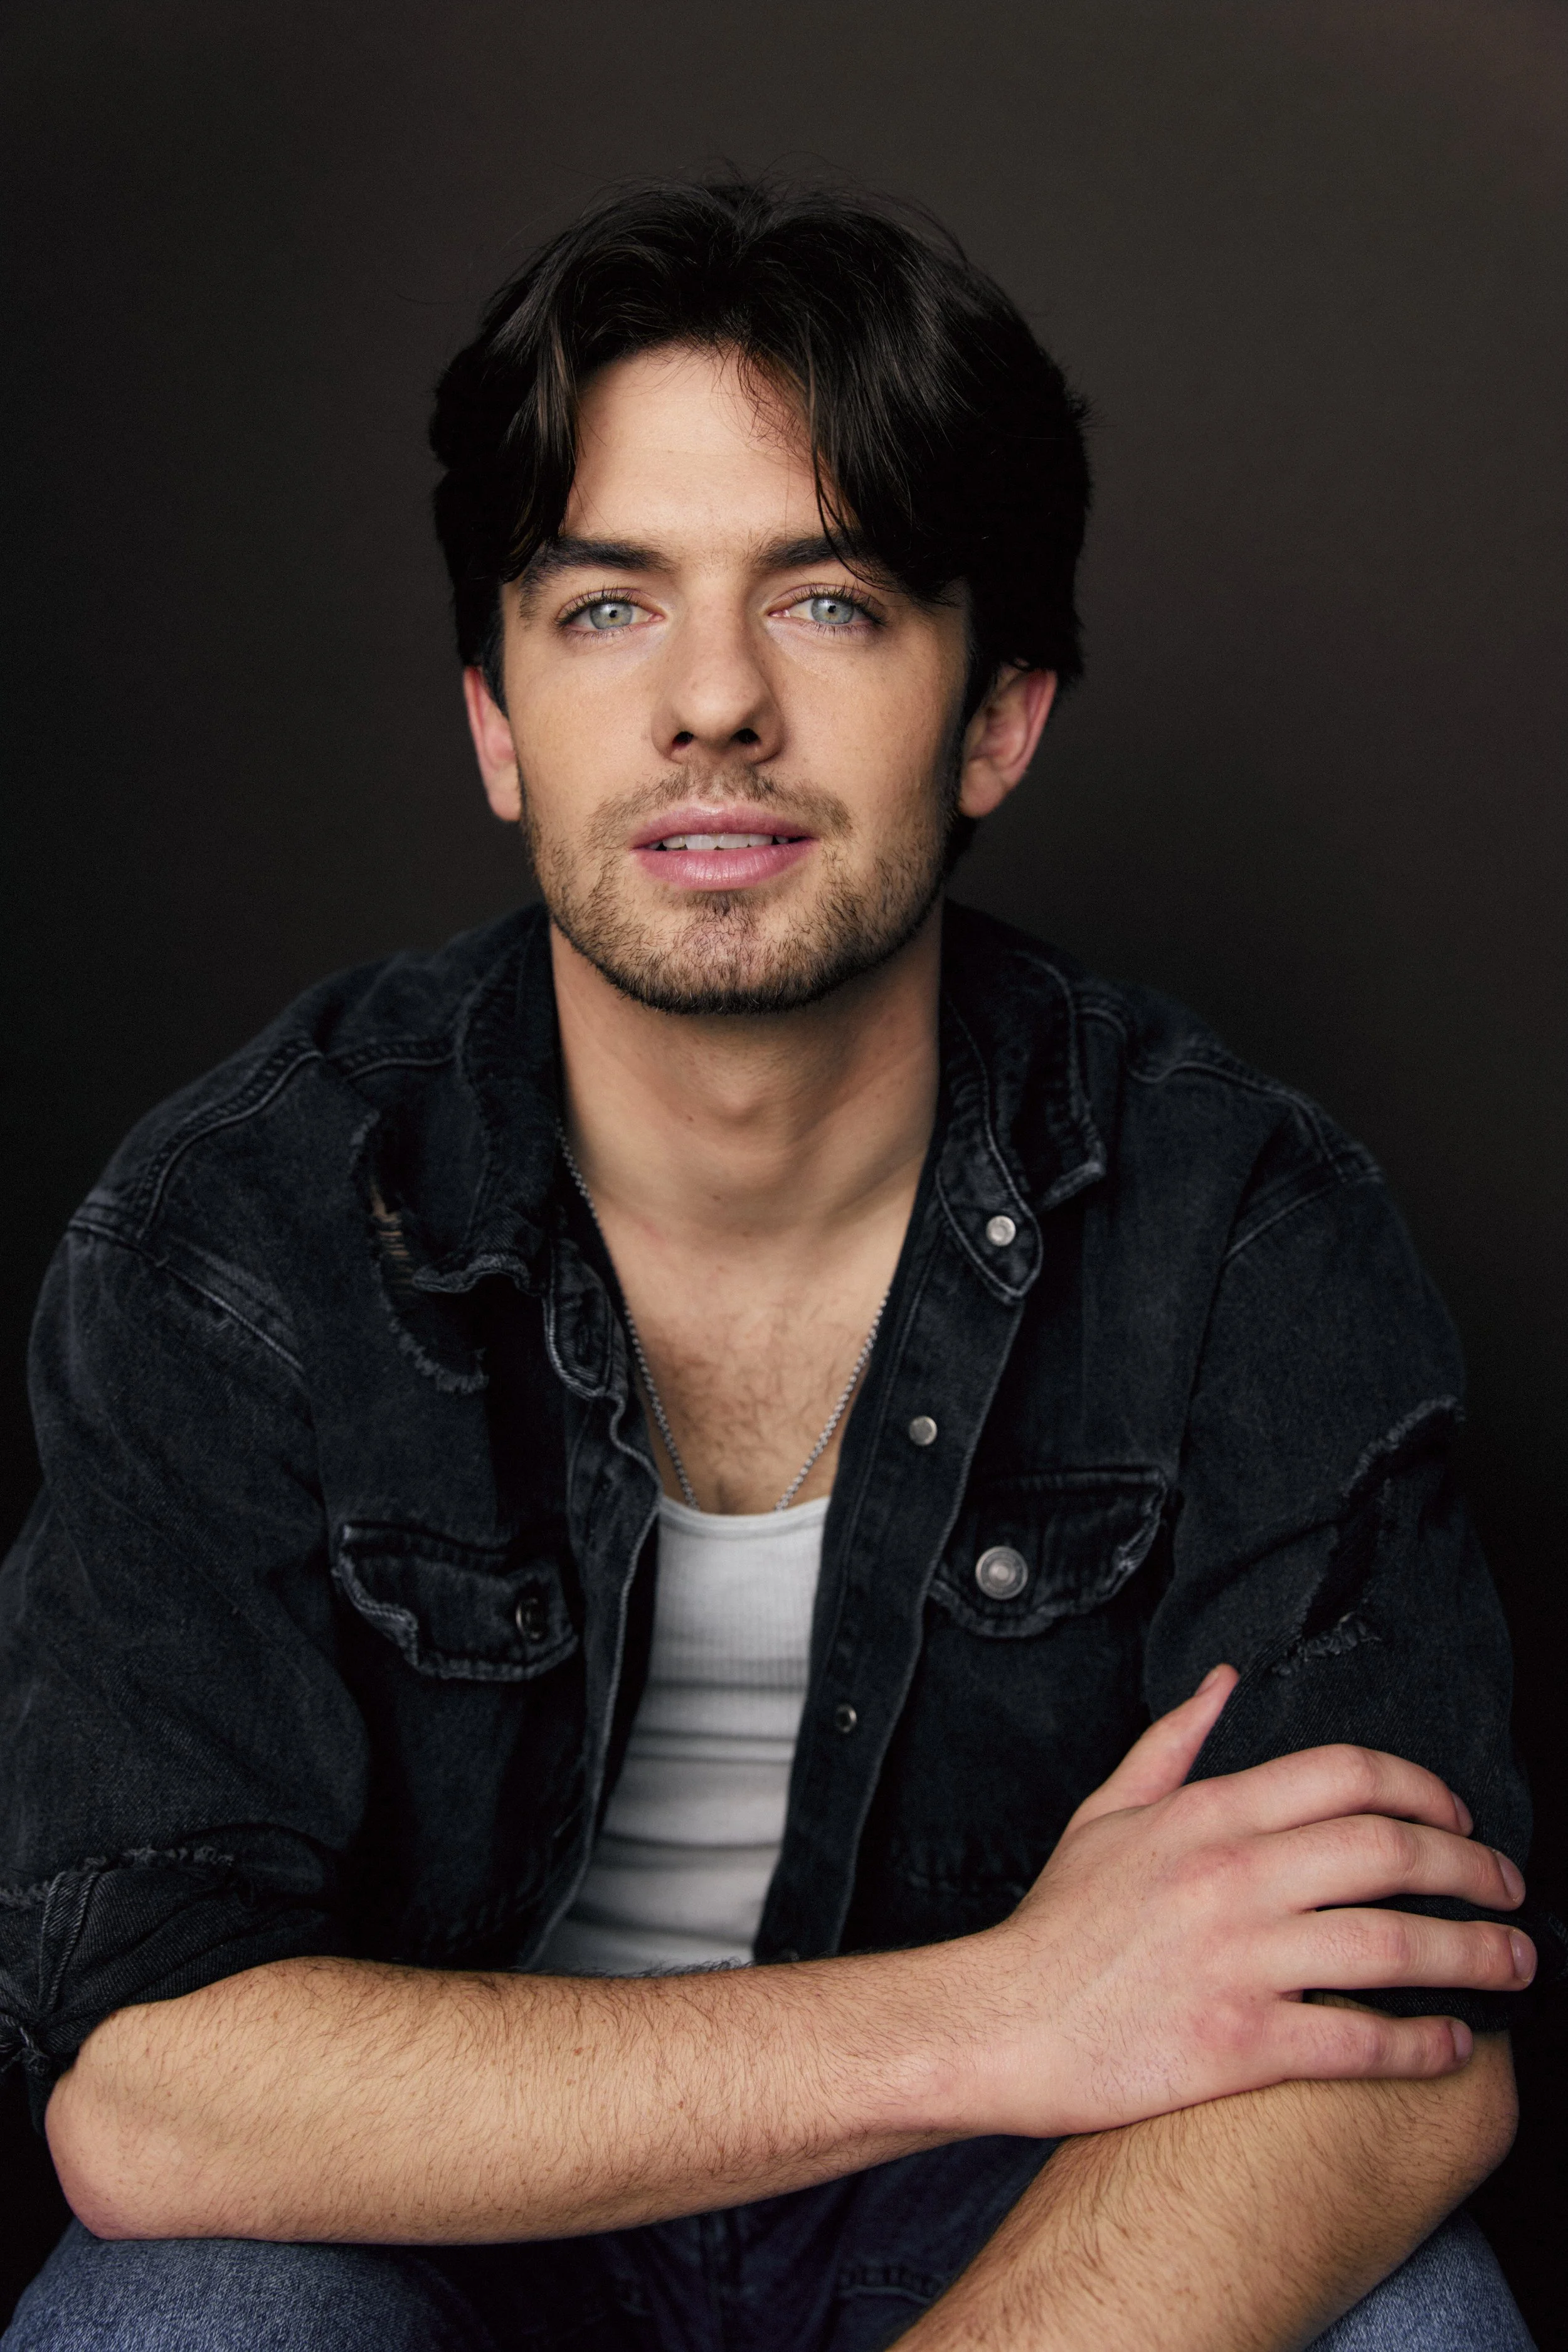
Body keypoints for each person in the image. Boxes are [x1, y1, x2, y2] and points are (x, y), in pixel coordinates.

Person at [0, 179, 1551, 2351]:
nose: (711, 703)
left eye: (825, 603)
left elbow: (1402, 2037)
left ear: (995, 714)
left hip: (1004, 2226)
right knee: (181, 2314)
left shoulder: (1239, 1224)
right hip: (456, 2224)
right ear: (495, 718)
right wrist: (1000, 2009)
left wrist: (1012, 2097)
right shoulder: (239, 1235)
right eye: (609, 607)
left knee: (1414, 2321)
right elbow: (155, 2101)